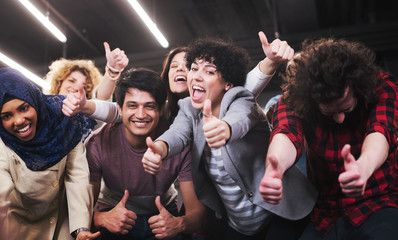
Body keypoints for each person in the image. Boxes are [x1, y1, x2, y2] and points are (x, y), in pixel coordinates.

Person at [141, 37, 317, 239]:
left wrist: (224, 129)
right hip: (239, 226)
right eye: (194, 68)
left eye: (209, 71)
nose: (196, 76)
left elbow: (241, 119)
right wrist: (159, 148)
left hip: (280, 213)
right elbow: (177, 133)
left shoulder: (241, 99)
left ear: (228, 83)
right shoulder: (188, 107)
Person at [259, 38, 398, 239]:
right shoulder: (294, 98)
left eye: (346, 109)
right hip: (326, 213)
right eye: (329, 112)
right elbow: (286, 133)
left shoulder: (382, 86)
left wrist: (364, 167)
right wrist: (275, 170)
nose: (339, 119)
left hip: (380, 203)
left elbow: (381, 130)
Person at [67, 68, 205, 240]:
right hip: (113, 210)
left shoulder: (179, 143)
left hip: (162, 213)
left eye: (149, 106)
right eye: (132, 105)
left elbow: (197, 215)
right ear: (119, 108)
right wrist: (102, 218)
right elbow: (83, 210)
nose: (140, 115)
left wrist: (178, 224)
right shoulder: (98, 142)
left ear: (161, 109)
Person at [0, 68, 99, 240]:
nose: (18, 121)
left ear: (35, 102)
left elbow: (77, 177)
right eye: (7, 116)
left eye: (24, 108)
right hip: (17, 228)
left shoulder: (64, 122)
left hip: (60, 223)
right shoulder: (2, 140)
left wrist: (81, 228)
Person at [160, 31, 295, 122]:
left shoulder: (230, 100)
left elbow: (248, 85)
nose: (180, 69)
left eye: (188, 66)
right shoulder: (159, 110)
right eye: (174, 66)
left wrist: (273, 59)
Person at [45, 42, 129, 101]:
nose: (77, 87)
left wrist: (112, 70)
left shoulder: (87, 119)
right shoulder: (42, 108)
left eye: (84, 87)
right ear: (58, 83)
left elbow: (101, 98)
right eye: (71, 81)